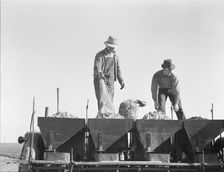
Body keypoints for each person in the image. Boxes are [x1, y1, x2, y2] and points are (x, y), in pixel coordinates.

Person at [93, 36, 125, 118]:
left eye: (113, 47)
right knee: (102, 100)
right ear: (107, 46)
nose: (113, 49)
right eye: (111, 47)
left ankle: (108, 116)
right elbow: (97, 67)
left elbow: (118, 70)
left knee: (110, 100)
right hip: (100, 80)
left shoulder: (115, 57)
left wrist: (121, 80)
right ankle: (102, 115)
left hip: (110, 81)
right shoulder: (100, 55)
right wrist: (100, 75)